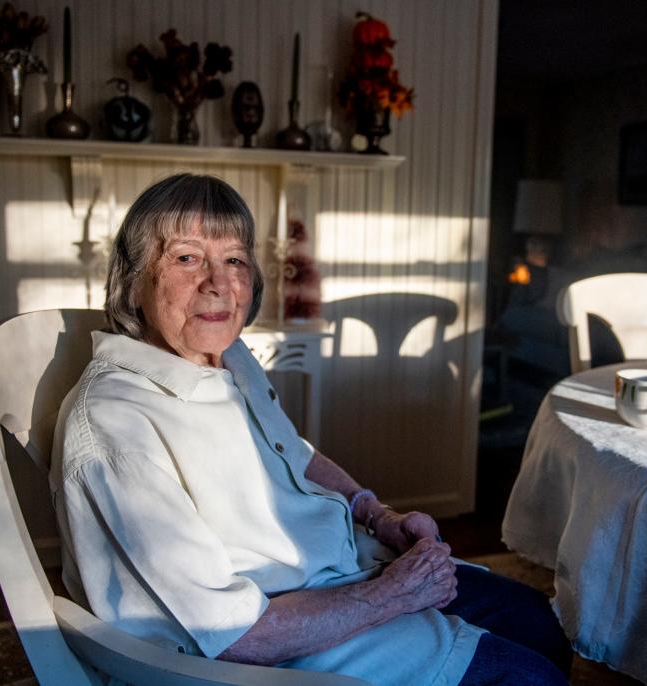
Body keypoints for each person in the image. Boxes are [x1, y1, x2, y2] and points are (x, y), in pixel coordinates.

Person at [51, 174, 571, 685]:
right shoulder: (116, 423)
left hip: (345, 570)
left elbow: (295, 454)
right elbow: (234, 637)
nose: (218, 282)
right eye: (186, 257)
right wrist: (393, 595)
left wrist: (376, 513)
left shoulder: (226, 357)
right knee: (531, 677)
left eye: (234, 259)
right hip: (273, 648)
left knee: (540, 625)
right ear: (134, 278)